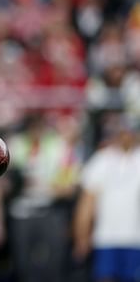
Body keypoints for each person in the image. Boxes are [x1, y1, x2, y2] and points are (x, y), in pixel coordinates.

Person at [73, 112, 140, 282]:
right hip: (105, 237)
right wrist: (82, 235)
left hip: (135, 238)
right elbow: (87, 201)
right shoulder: (101, 160)